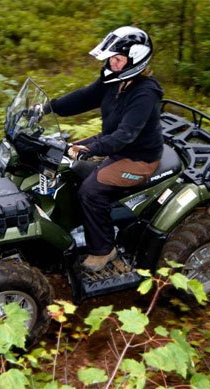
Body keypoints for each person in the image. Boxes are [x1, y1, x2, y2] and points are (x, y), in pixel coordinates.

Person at [45, 26, 164, 271]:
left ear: (136, 60)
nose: (112, 62)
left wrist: (91, 148)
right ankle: (79, 225)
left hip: (138, 158)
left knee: (90, 190)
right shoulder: (114, 80)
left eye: (118, 59)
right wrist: (48, 108)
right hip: (115, 146)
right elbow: (84, 97)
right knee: (66, 165)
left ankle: (104, 250)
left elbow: (125, 135)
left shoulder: (145, 93)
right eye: (111, 57)